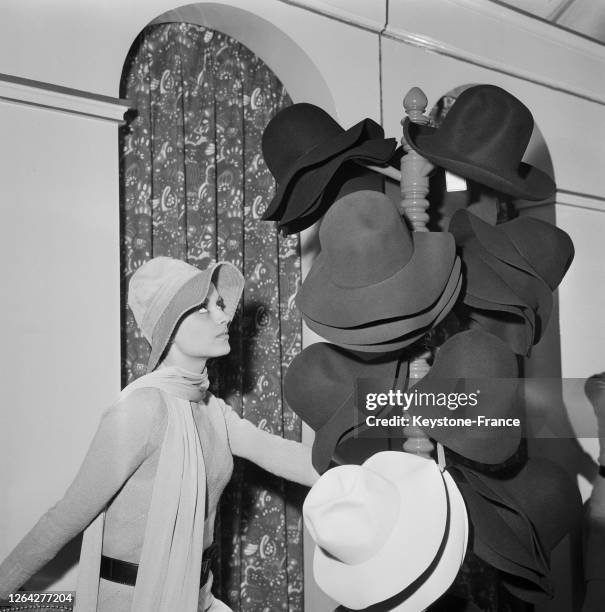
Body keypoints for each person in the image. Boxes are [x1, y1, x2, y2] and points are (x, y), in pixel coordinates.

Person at [0, 256, 319, 612]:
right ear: (169, 326)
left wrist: (363, 472)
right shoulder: (142, 409)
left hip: (196, 596)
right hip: (135, 602)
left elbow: (279, 454)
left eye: (220, 305)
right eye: (205, 308)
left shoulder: (211, 409)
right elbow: (65, 517)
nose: (224, 316)